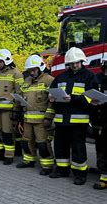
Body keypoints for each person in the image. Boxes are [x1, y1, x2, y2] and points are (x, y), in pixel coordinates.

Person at [44, 47, 96, 185]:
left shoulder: (90, 77)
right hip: (61, 120)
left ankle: (80, 174)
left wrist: (72, 98)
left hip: (78, 121)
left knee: (78, 148)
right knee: (61, 146)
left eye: (77, 62)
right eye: (72, 63)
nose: (74, 65)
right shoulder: (61, 77)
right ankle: (62, 170)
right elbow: (53, 91)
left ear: (82, 61)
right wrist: (52, 97)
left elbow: (91, 99)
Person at [14, 55, 55, 175]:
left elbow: (52, 102)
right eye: (29, 70)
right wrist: (16, 112)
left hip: (42, 121)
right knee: (26, 142)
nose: (31, 73)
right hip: (27, 119)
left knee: (43, 143)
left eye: (34, 70)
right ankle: (28, 160)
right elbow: (19, 98)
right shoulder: (26, 82)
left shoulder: (49, 80)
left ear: (40, 68)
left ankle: (47, 166)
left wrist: (48, 117)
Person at [0, 49, 24, 165]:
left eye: (0, 62)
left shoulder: (16, 73)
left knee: (7, 133)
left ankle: (9, 156)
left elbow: (19, 93)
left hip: (8, 111)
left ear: (6, 61)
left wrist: (17, 109)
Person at [90, 61, 107, 189]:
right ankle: (101, 169)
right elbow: (92, 93)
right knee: (99, 146)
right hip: (98, 118)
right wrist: (93, 101)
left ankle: (105, 179)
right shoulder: (98, 77)